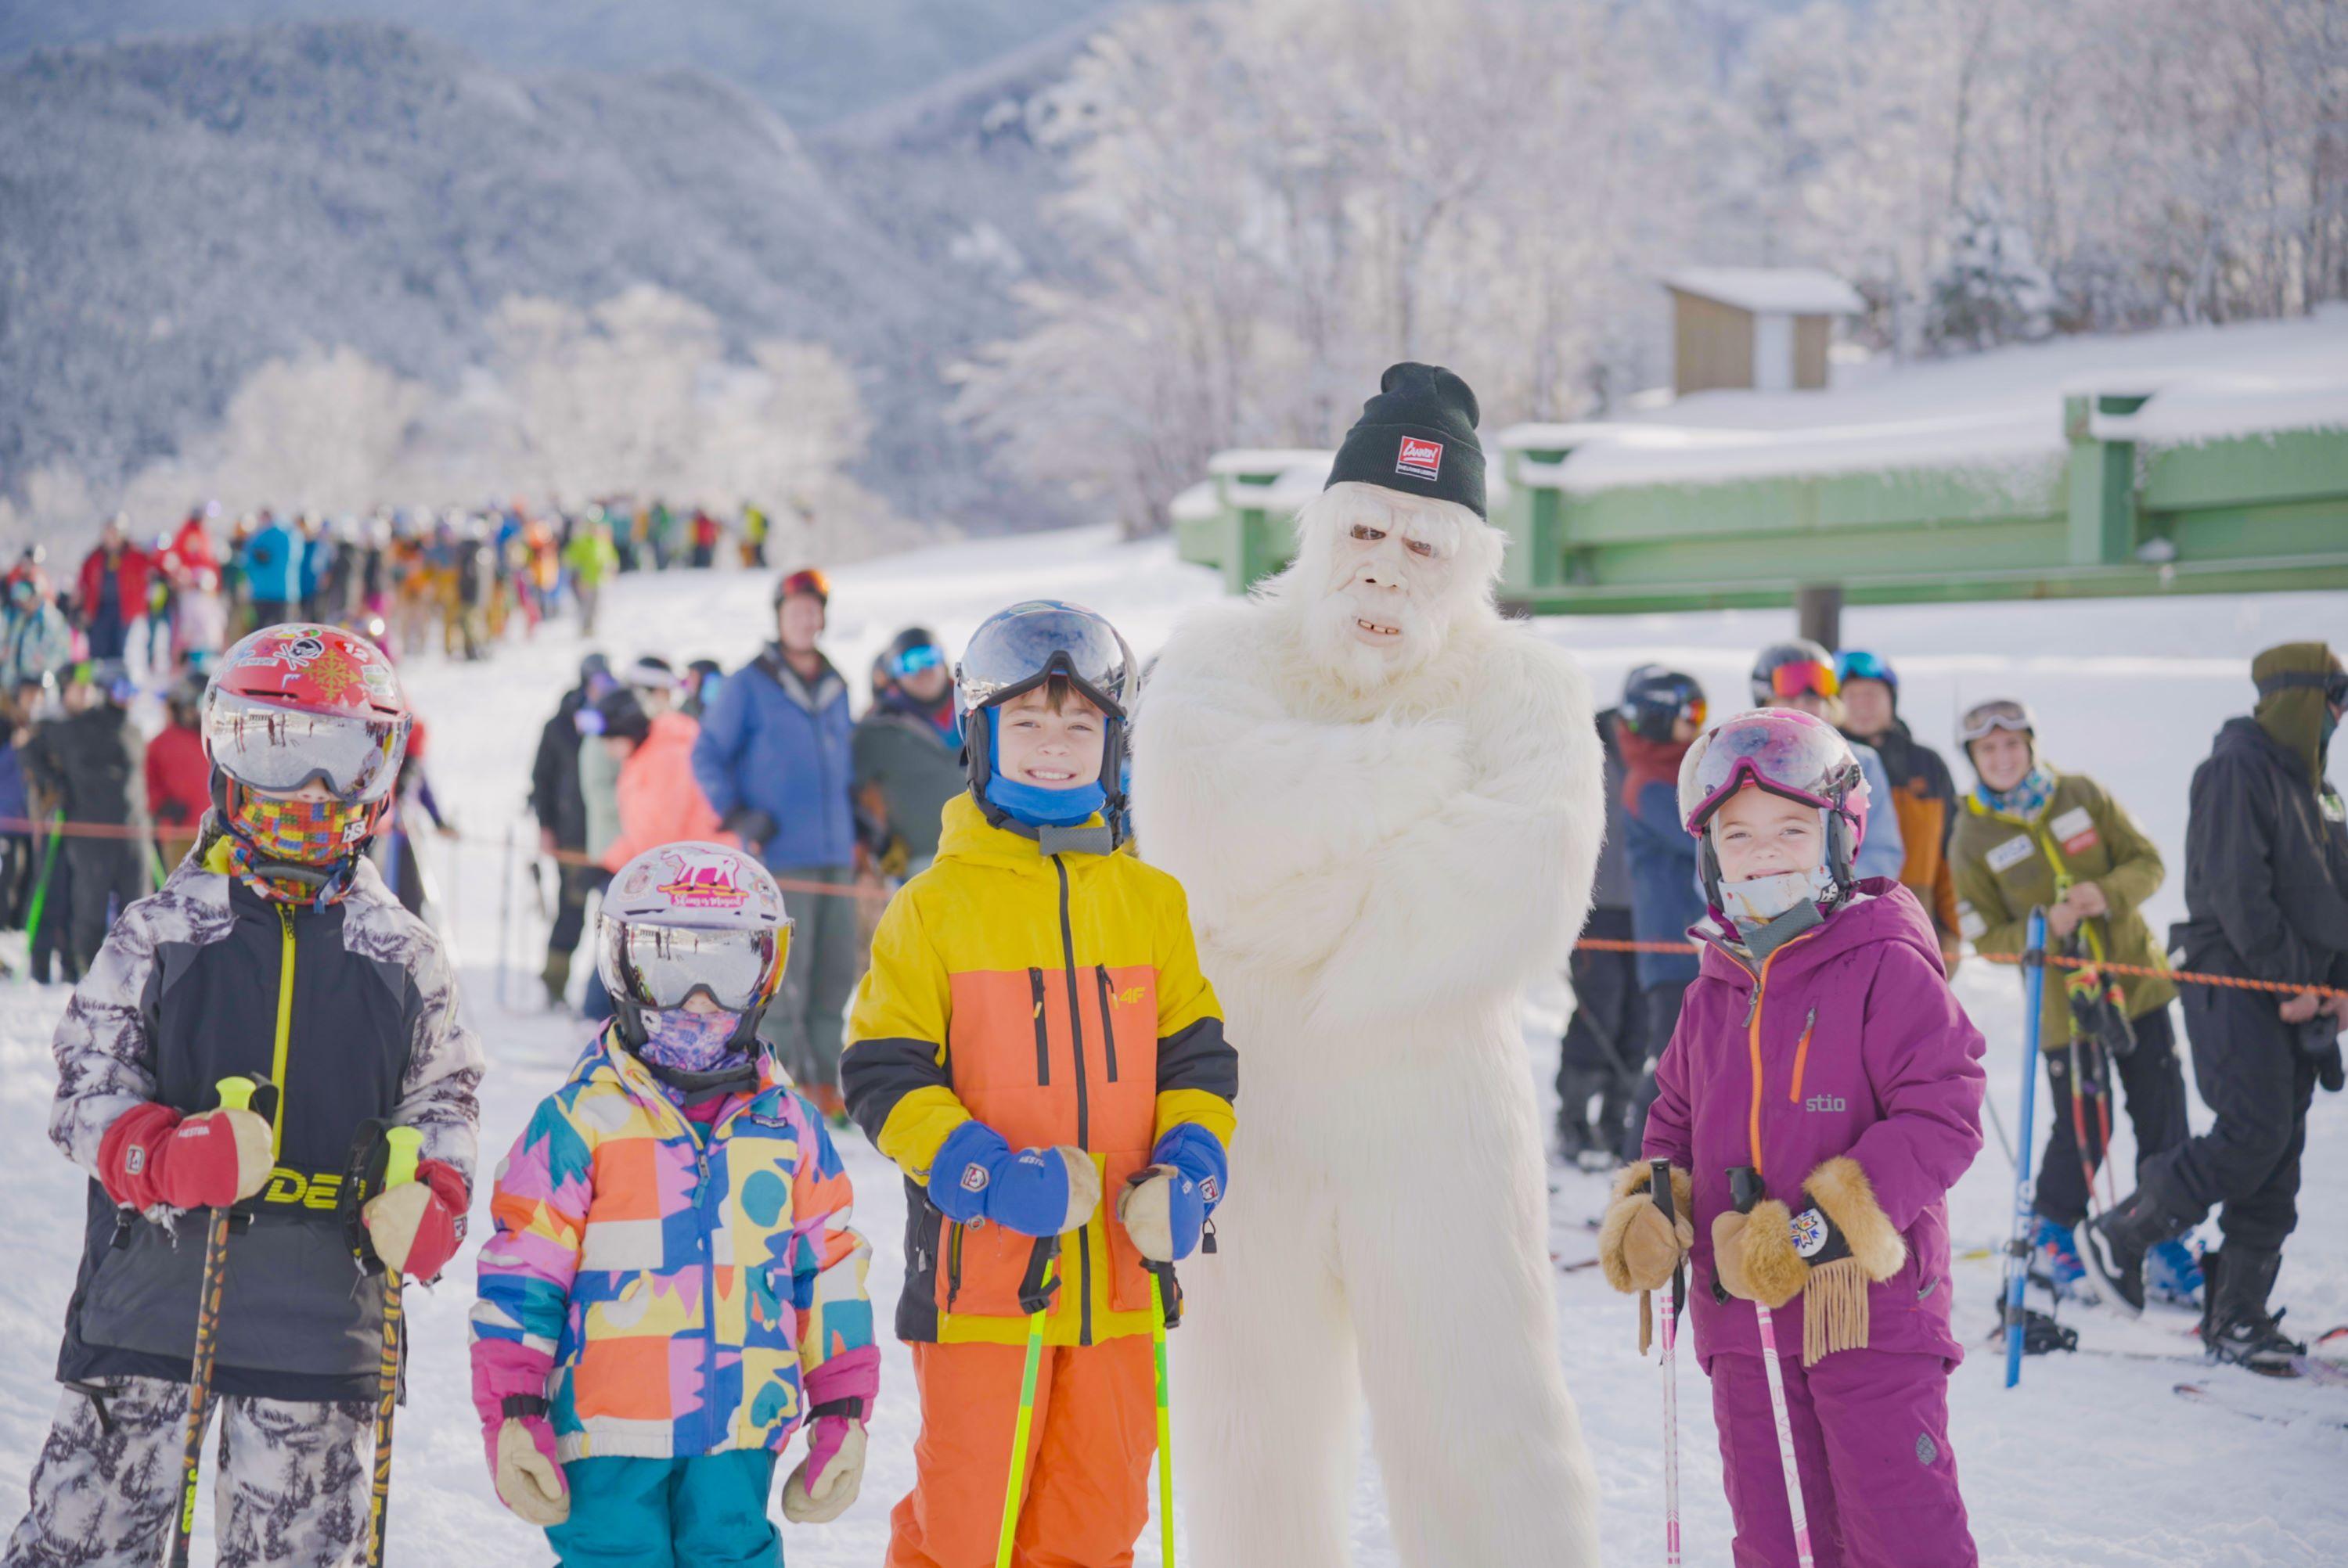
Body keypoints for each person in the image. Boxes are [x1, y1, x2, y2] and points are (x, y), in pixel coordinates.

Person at [1131, 364, 1605, 1566]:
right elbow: (1193, 839)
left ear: (1469, 565)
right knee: (1251, 1434)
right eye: (1366, 533)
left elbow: (1520, 897)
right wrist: (1413, 787)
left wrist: (1277, 899)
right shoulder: (1218, 657)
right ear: (1323, 531)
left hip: (1443, 1122)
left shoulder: (1528, 688)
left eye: (1423, 545)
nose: (1388, 570)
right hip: (1244, 1114)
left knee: (1485, 1427)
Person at [3, 622, 481, 1567]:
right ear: (228, 759)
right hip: (152, 1307)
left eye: (340, 761)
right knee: (84, 1545)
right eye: (279, 756)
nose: (310, 794)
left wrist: (434, 1200)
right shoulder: (163, 932)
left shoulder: (407, 958)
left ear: (379, 772)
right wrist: (161, 1155)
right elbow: (84, 1085)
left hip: (321, 1328)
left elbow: (445, 1103)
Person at [843, 600, 1236, 1568]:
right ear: (980, 738)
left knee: (1097, 1522)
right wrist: (977, 1169)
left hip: (1123, 1282)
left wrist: (1192, 1166)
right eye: (1025, 723)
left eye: (1079, 725)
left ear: (1115, 745)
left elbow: (1197, 1060)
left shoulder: (1153, 902)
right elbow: (884, 1071)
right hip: (984, 1282)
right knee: (967, 1526)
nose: (1053, 746)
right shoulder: (933, 908)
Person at [1601, 707, 1985, 1568]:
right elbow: (1672, 1122)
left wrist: (1815, 1231)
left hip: (1865, 1319)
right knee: (1776, 1542)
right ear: (1711, 857)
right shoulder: (1711, 991)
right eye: (1738, 835)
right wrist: (1654, 1205)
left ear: (1838, 839)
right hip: (1745, 1332)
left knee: (1899, 1537)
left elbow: (1943, 1111)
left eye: (1790, 829)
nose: (1764, 852)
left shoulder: (1884, 962)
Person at [470, 840, 875, 1562]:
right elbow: (522, 1278)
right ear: (623, 968)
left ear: (765, 974)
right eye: (670, 967)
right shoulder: (578, 1123)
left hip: (742, 1432)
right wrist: (515, 1414)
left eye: (728, 970)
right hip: (606, 1438)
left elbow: (830, 1273)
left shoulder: (789, 1129)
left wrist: (842, 1412)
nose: (699, 1001)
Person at [2089, 644, 2348, 1371]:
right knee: (2253, 1133)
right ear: (2298, 698)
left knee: (2279, 1154)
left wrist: (2338, 986)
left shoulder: (2320, 790)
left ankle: (2238, 1315)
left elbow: (2339, 892)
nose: (2339, 715)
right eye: (2334, 697)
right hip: (2236, 979)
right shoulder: (2237, 767)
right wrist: (2288, 982)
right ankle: (2122, 1231)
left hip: (2302, 989)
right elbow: (2237, 888)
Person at [1946, 696, 2195, 1307]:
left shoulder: (2080, 793)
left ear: (2030, 744)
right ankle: (2053, 1237)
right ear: (1973, 758)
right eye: (1988, 749)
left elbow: (2149, 863)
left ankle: (2164, 1239)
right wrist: (2042, 927)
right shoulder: (1971, 836)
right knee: (2086, 1123)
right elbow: (1988, 938)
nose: (2003, 758)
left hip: (2137, 986)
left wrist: (2105, 892)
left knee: (2163, 1116)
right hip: (2066, 1007)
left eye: (2012, 744)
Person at [693, 567, 859, 1118]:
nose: (806, 620)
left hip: (835, 854)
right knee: (787, 979)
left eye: (814, 611)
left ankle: (825, 1084)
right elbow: (707, 754)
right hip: (781, 856)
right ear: (780, 618)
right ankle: (781, 1084)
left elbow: (845, 766)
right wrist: (737, 812)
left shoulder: (836, 685)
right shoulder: (749, 684)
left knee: (834, 975)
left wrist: (863, 825)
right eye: (796, 611)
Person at [1615, 664, 1709, 1162]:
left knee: (1693, 1058)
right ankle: (1636, 1164)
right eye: (1688, 713)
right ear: (1655, 717)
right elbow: (1698, 839)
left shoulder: (1678, 775)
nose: (1696, 724)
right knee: (1671, 1059)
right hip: (1672, 946)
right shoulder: (1651, 785)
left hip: (1695, 943)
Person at [1836, 650, 1963, 971]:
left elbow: (1951, 851)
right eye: (1852, 696)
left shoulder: (1926, 764)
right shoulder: (1824, 764)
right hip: (1844, 925)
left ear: (1892, 699)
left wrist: (1952, 929)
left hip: (1917, 922)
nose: (1862, 705)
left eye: (1872, 695)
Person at [22, 661, 146, 975]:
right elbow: (29, 749)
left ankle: (130, 975)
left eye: (131, 691)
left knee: (135, 908)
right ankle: (84, 972)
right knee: (90, 908)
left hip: (131, 832)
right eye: (120, 690)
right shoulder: (77, 728)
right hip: (91, 832)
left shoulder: (133, 730)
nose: (126, 698)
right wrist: (55, 783)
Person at [1557, 702, 1639, 1168]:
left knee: (1638, 1019)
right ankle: (1573, 1118)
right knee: (1597, 1013)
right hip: (1594, 911)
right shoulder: (1587, 756)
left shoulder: (1667, 760)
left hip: (1647, 916)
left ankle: (1614, 1119)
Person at [1751, 640, 1904, 883]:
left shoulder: (1858, 763)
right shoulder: (1742, 767)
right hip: (1758, 901)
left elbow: (1882, 849)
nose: (1802, 709)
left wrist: (1836, 893)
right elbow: (1716, 856)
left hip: (1843, 901)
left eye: (1813, 700)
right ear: (1765, 705)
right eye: (1789, 700)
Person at [531, 653, 613, 1009]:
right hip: (574, 836)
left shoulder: (612, 718)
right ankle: (554, 983)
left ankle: (611, 992)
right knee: (571, 912)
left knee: (615, 917)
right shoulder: (560, 724)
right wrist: (546, 827)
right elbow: (542, 780)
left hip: (610, 837)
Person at [852, 626, 963, 879]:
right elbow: (852, 794)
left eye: (930, 658)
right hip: (920, 863)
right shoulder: (877, 728)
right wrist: (877, 843)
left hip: (982, 848)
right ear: (894, 673)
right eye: (910, 663)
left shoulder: (975, 710)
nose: (923, 670)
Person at [146, 674, 211, 873]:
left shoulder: (217, 740)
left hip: (217, 832)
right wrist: (162, 805)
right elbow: (148, 783)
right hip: (179, 833)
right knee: (182, 885)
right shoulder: (162, 742)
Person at [74, 516, 153, 664]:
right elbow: (84, 583)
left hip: (125, 610)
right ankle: (99, 677)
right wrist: (84, 607)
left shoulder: (136, 555)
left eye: (115, 533)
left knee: (121, 649)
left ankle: (118, 676)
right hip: (100, 609)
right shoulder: (95, 557)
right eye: (108, 533)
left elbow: (153, 567)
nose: (111, 537)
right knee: (98, 649)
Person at [3, 565, 75, 692]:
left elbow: (63, 651)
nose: (22, 604)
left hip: (40, 684)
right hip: (17, 683)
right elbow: (12, 648)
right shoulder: (19, 617)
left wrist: (45, 667)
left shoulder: (52, 620)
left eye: (26, 597)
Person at [239, 509, 301, 629]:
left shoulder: (256, 538)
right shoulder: (290, 536)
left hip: (261, 592)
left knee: (259, 632)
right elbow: (296, 560)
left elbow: (247, 564)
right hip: (284, 592)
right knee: (285, 631)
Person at [563, 512, 618, 635]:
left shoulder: (603, 542)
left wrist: (612, 568)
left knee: (596, 606)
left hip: (600, 579)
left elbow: (611, 557)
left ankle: (592, 627)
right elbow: (571, 558)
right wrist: (577, 575)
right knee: (586, 605)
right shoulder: (582, 542)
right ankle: (585, 628)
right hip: (585, 580)